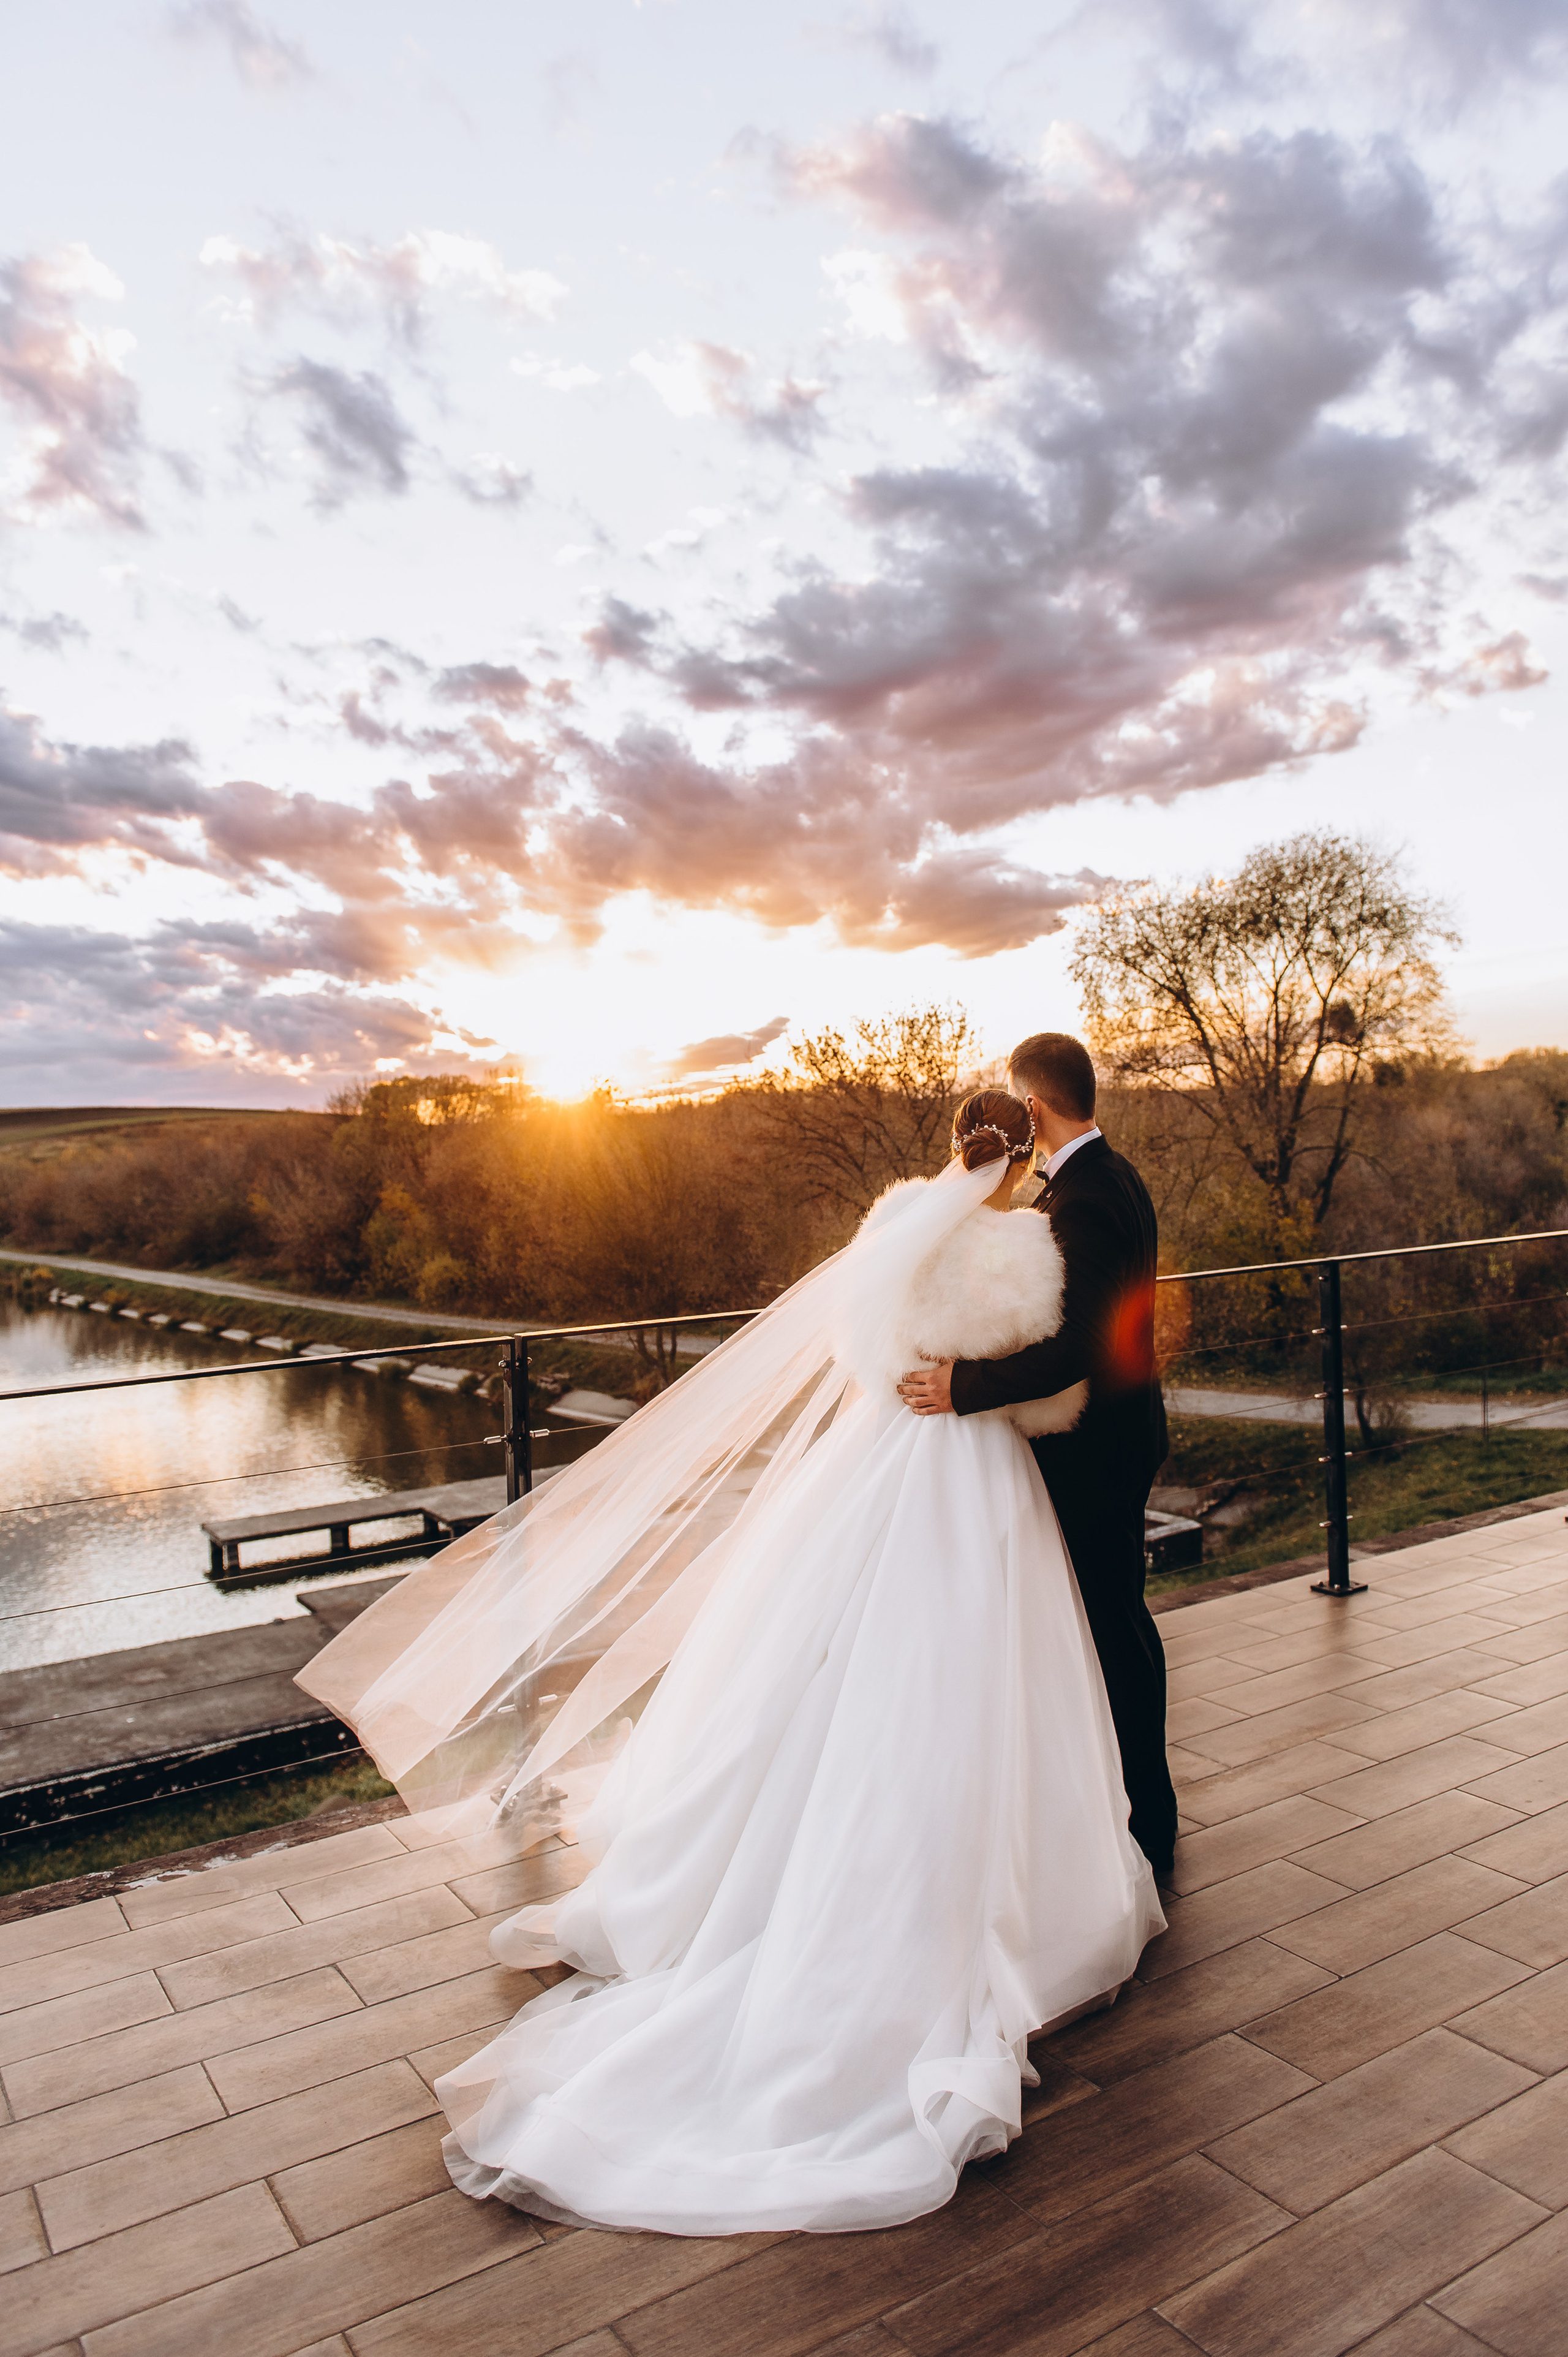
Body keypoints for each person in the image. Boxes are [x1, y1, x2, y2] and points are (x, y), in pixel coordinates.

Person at [297, 1090, 1163, 2237]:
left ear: (958, 1145)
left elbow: (864, 1345)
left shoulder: (904, 1223)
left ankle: (774, 1856)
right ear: (1023, 1148)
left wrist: (930, 1378)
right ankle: (1001, 1881)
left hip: (886, 1455)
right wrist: (972, 1389)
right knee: (977, 1669)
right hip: (974, 1470)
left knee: (842, 1656)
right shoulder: (1020, 1243)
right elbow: (1048, 1379)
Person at [898, 1035, 1178, 1880]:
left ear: (1038, 1105)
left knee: (1110, 1630)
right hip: (1125, 1434)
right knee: (1121, 1623)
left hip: (1101, 1450)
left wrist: (963, 1387)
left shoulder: (1086, 1199)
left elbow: (1080, 1350)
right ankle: (1140, 1807)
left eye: (1019, 1100)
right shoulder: (1110, 1177)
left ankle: (1143, 1824)